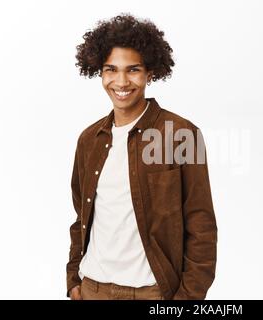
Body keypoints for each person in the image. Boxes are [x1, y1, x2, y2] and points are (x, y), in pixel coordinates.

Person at [66, 13, 218, 300]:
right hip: (92, 288)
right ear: (99, 72)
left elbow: (201, 225)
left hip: (153, 293)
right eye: (111, 69)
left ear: (150, 73)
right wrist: (73, 278)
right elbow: (81, 217)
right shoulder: (89, 140)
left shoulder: (181, 134)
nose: (121, 81)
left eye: (133, 69)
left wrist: (188, 297)